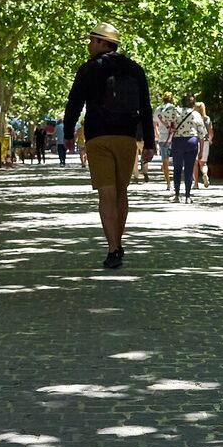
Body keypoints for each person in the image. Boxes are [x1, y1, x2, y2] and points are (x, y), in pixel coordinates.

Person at [64, 22, 155, 269]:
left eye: (93, 40)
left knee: (106, 195)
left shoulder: (88, 69)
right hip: (126, 137)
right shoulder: (135, 69)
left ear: (103, 43)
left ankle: (113, 248)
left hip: (98, 138)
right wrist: (149, 142)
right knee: (121, 192)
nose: (89, 44)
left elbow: (74, 103)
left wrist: (69, 133)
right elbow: (146, 107)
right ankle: (119, 241)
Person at [161, 94, 206, 203]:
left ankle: (176, 195)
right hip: (192, 141)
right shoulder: (196, 115)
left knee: (177, 169)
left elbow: (161, 116)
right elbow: (202, 134)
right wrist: (201, 151)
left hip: (178, 142)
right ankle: (187, 196)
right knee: (189, 169)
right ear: (193, 104)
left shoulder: (176, 111)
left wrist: (170, 127)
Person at [154, 92, 176, 191]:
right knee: (176, 161)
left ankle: (168, 183)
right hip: (174, 137)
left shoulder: (159, 109)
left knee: (165, 161)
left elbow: (154, 122)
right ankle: (176, 181)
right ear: (171, 99)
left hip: (163, 138)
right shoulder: (174, 108)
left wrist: (156, 133)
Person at [193, 101, 214, 188]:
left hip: (195, 141)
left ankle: (196, 183)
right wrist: (210, 140)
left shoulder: (193, 118)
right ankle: (205, 175)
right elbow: (211, 131)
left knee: (195, 163)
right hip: (205, 141)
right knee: (203, 163)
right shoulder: (207, 119)